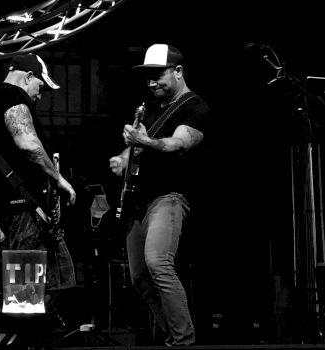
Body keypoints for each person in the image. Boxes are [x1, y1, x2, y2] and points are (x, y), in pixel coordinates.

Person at [109, 44, 211, 346]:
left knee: (158, 263)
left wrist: (143, 140)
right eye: (148, 78)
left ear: (178, 72)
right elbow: (143, 144)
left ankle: (183, 340)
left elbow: (177, 143)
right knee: (139, 276)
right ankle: (171, 336)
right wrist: (124, 157)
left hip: (169, 197)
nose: (152, 83)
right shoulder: (154, 109)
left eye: (158, 76)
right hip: (140, 203)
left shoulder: (195, 107)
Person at [0, 53, 77, 293]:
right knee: (25, 290)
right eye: (40, 87)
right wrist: (59, 179)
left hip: (7, 203)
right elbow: (28, 143)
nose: (39, 96)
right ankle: (20, 330)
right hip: (22, 208)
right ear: (28, 76)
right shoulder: (12, 94)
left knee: (26, 285)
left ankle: (20, 329)